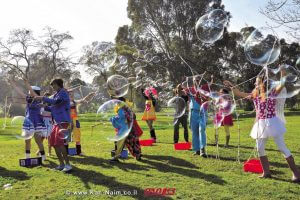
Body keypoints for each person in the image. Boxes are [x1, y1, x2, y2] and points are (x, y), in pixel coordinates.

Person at [224, 74, 300, 182]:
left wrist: (282, 73)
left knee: (282, 147)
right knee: (260, 148)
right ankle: (266, 172)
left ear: (263, 84)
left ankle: (296, 173)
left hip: (273, 122)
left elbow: (282, 84)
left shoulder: (272, 93)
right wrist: (231, 86)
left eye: (257, 82)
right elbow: (238, 93)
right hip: (260, 124)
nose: (255, 84)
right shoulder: (254, 95)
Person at [35, 79, 72, 172]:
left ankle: (68, 165)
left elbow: (56, 102)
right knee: (54, 144)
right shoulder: (56, 94)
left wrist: (42, 98)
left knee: (60, 143)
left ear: (58, 84)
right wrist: (44, 106)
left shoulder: (63, 93)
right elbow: (54, 108)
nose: (52, 86)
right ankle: (61, 164)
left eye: (53, 85)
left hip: (63, 121)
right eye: (52, 85)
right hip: (56, 122)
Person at [7, 77, 47, 161]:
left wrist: (27, 84)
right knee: (27, 140)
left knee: (38, 140)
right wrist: (13, 83)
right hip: (28, 121)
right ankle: (27, 157)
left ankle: (43, 157)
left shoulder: (39, 99)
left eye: (30, 91)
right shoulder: (28, 99)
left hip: (36, 122)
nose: (28, 93)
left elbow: (33, 94)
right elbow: (20, 92)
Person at [184, 75, 213, 157]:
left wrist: (211, 78)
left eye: (198, 80)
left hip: (202, 112)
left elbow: (210, 84)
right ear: (193, 81)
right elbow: (180, 90)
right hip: (193, 112)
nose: (196, 81)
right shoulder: (189, 89)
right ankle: (196, 150)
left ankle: (202, 150)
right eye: (195, 80)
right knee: (194, 131)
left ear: (200, 81)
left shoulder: (204, 88)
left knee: (201, 130)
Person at [110, 97, 143, 162]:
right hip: (130, 128)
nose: (116, 103)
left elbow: (121, 119)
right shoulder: (127, 108)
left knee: (119, 143)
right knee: (133, 142)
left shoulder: (122, 109)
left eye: (117, 102)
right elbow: (133, 116)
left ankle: (116, 157)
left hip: (124, 129)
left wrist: (113, 119)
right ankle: (138, 155)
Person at [67, 87, 95, 155]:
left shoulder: (75, 102)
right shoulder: (64, 103)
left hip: (75, 120)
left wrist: (89, 95)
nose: (71, 95)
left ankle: (79, 152)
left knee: (78, 136)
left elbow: (83, 100)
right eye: (69, 94)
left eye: (72, 94)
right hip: (67, 121)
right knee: (66, 137)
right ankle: (66, 152)